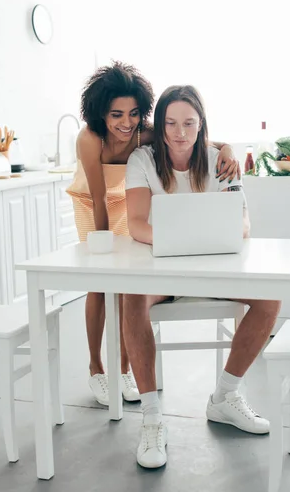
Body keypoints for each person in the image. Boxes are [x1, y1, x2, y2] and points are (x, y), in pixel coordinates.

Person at [124, 85, 282, 469]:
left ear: (201, 125)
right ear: (160, 125)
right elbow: (136, 223)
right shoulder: (142, 160)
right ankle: (151, 418)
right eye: (171, 123)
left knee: (270, 297)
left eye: (189, 123)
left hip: (214, 270)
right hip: (162, 271)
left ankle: (225, 397)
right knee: (130, 297)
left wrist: (213, 240)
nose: (180, 132)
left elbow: (242, 222)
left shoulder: (218, 160)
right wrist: (180, 243)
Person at [66, 63, 241, 407]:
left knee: (127, 284)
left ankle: (124, 368)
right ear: (100, 112)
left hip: (125, 199)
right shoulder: (89, 139)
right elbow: (98, 196)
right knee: (100, 284)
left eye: (133, 114)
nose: (125, 123)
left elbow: (193, 136)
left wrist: (229, 149)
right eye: (116, 114)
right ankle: (96, 368)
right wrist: (103, 246)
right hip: (91, 202)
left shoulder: (141, 134)